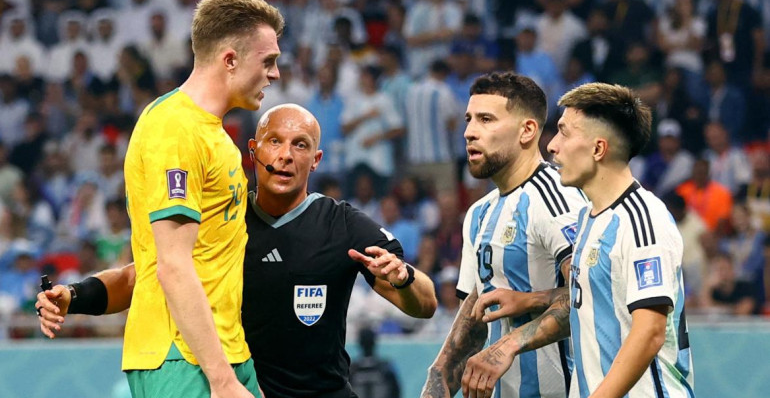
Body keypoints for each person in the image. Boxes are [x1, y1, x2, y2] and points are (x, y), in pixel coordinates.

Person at [37, 104, 438, 398]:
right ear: (253, 150)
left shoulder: (342, 223)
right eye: (274, 142)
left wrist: (402, 278)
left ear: (315, 160)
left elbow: (425, 303)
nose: (285, 155)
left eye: (300, 145)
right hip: (239, 388)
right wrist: (73, 296)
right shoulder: (223, 216)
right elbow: (140, 276)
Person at [38, 0, 284, 398]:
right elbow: (172, 268)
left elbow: (146, 271)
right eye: (268, 61)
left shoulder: (214, 135)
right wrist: (221, 380)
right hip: (184, 362)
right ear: (229, 59)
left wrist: (77, 295)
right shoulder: (175, 129)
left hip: (222, 355)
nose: (275, 74)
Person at [471, 83, 695, 397]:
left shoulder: (643, 219)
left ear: (598, 149)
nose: (552, 146)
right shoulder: (589, 219)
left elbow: (650, 332)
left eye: (564, 133)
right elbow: (593, 298)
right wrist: (531, 300)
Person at [421, 72, 587, 398]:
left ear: (527, 130)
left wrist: (509, 345)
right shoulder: (479, 213)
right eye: (469, 119)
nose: (469, 132)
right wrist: (436, 383)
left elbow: (590, 296)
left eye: (486, 119)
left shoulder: (558, 198)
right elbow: (474, 316)